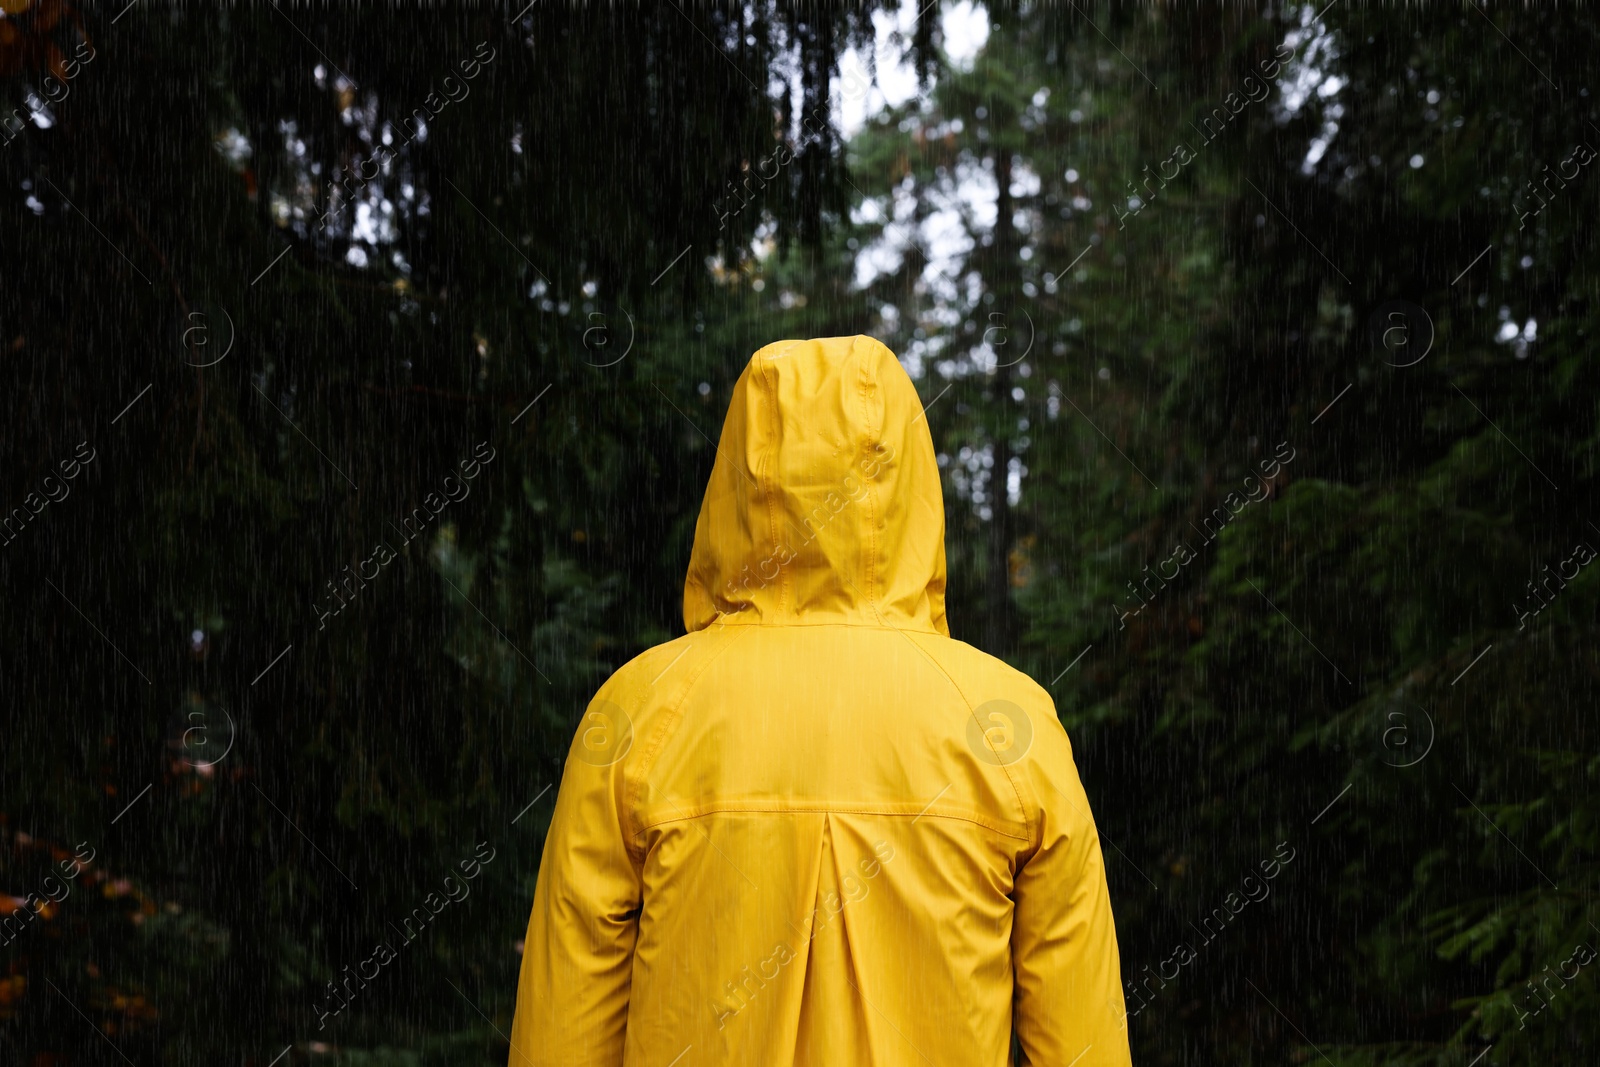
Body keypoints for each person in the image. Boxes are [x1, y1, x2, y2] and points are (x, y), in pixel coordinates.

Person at [508, 335, 1132, 1066]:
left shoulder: (639, 710)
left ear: (737, 481)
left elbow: (562, 1033)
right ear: (908, 478)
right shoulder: (1007, 724)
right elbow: (1082, 1038)